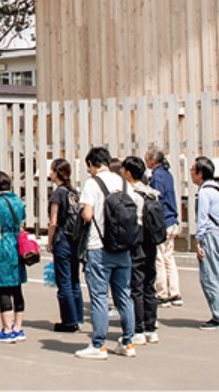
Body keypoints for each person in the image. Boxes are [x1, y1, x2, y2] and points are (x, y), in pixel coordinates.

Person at [75, 145, 136, 360]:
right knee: (123, 294)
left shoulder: (92, 184)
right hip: (123, 246)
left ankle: (98, 344)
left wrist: (81, 210)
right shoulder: (123, 182)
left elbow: (88, 215)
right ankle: (128, 341)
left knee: (100, 296)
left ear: (92, 164)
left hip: (98, 246)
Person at [192, 156, 219, 331]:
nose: (191, 173)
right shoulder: (218, 189)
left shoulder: (204, 192)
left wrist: (198, 242)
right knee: (217, 276)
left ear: (200, 173)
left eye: (192, 170)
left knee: (209, 278)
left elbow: (202, 219)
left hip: (209, 235)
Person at [121, 156, 160, 345]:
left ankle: (138, 329)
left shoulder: (131, 193)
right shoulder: (152, 193)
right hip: (151, 242)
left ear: (128, 172)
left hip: (136, 241)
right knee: (149, 285)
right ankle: (151, 327)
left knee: (136, 287)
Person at [0, 170, 27, 343]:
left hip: (2, 244)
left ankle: (6, 328)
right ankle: (18, 327)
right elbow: (22, 219)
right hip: (17, 243)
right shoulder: (18, 201)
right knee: (17, 287)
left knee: (3, 287)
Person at [47, 158, 84, 333]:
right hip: (75, 238)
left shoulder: (57, 194)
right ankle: (77, 316)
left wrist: (49, 241)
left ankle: (68, 321)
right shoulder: (74, 192)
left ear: (56, 172)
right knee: (74, 278)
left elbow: (53, 221)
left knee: (64, 281)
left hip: (62, 237)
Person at [145, 148, 182, 306]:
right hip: (172, 219)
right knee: (169, 257)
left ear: (153, 160)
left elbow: (156, 199)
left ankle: (162, 293)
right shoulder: (167, 174)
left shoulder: (156, 176)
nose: (146, 160)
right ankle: (174, 292)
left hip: (163, 221)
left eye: (147, 157)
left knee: (159, 258)